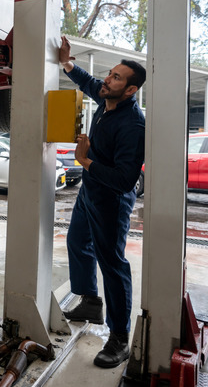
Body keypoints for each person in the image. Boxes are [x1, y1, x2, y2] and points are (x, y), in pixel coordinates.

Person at [58, 36, 146, 368]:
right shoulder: (106, 100)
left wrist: (84, 160)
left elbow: (126, 180)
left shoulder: (133, 125)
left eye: (116, 78)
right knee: (77, 240)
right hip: (89, 192)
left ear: (131, 90)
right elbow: (89, 81)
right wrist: (67, 63)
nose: (107, 80)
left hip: (111, 200)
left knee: (113, 264)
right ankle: (91, 301)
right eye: (110, 75)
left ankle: (120, 337)